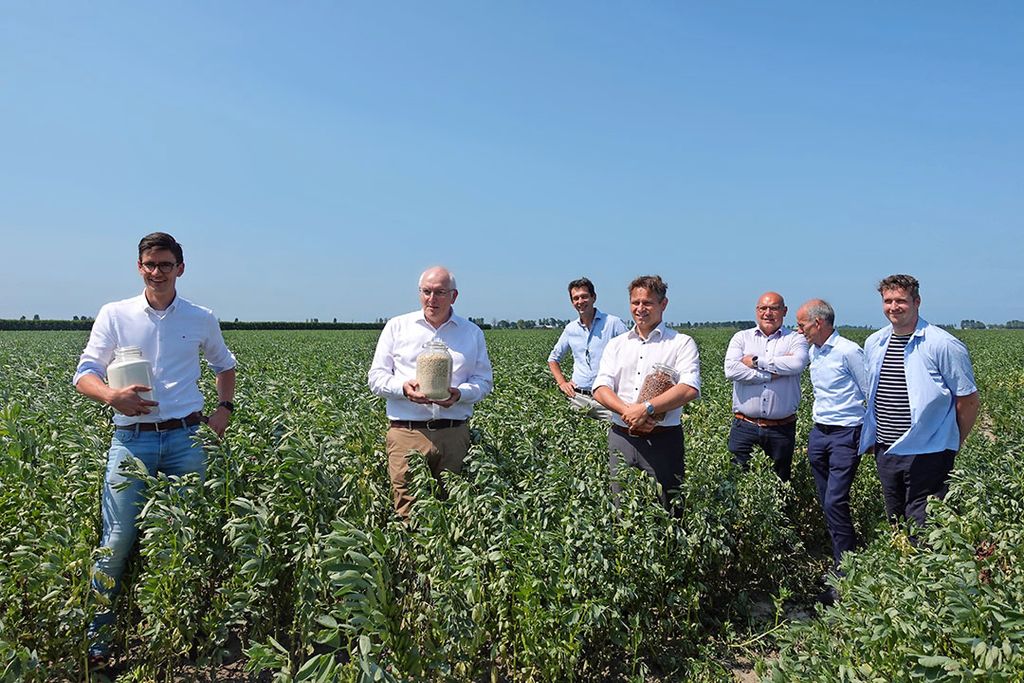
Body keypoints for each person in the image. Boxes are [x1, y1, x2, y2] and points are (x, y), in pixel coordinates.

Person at [73, 232, 237, 666]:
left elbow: (225, 365)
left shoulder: (201, 317)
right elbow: (84, 373)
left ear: (180, 268)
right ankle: (98, 642)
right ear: (139, 267)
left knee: (184, 536)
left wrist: (223, 410)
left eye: (165, 264)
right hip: (131, 440)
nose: (157, 272)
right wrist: (111, 397)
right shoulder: (115, 314)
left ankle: (179, 634)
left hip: (187, 439)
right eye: (149, 264)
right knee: (117, 539)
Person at [368, 266, 493, 518]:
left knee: (454, 508)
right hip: (407, 432)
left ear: (454, 296)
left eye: (439, 292)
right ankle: (410, 557)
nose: (432, 299)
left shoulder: (471, 333)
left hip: (454, 433)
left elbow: (484, 381)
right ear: (419, 293)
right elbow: (376, 378)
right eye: (426, 292)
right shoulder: (397, 327)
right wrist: (403, 388)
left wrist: (460, 393)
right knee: (408, 508)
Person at [862, 274, 979, 529]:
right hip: (887, 448)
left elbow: (968, 400)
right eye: (888, 301)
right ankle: (900, 565)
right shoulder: (875, 342)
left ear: (917, 301)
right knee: (895, 520)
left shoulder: (942, 344)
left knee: (923, 524)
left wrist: (953, 442)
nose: (894, 307)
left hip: (929, 451)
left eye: (901, 301)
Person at [593, 275, 700, 513]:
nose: (640, 309)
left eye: (648, 303)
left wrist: (647, 408)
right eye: (635, 302)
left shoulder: (681, 343)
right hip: (621, 436)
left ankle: (670, 551)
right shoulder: (617, 344)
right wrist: (629, 412)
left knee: (669, 508)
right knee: (621, 509)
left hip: (663, 440)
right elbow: (601, 388)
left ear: (663, 304)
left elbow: (689, 388)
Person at [796, 299, 869, 584]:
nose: (799, 330)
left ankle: (846, 570)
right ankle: (840, 561)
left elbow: (869, 391)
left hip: (846, 434)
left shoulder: (849, 351)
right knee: (827, 501)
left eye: (802, 324)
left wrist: (870, 435)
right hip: (820, 433)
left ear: (819, 323)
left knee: (836, 501)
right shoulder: (815, 352)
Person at [724, 292, 809, 481]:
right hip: (744, 426)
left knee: (779, 484)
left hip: (781, 429)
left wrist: (755, 361)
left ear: (784, 311)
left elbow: (796, 364)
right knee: (737, 485)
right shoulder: (741, 338)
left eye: (774, 308)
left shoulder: (796, 339)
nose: (768, 313)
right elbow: (731, 370)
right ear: (757, 311)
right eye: (763, 308)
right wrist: (772, 374)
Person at [547, 277, 629, 421]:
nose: (580, 302)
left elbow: (633, 352)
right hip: (578, 398)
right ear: (572, 302)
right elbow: (553, 359)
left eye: (584, 296)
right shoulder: (570, 329)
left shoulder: (613, 323)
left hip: (608, 399)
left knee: (612, 439)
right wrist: (562, 383)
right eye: (576, 298)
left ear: (593, 297)